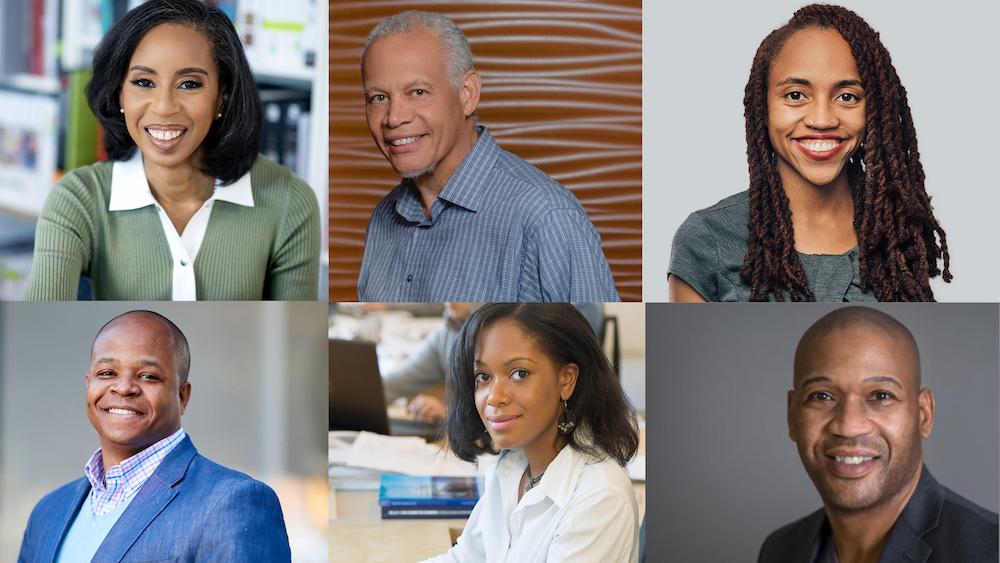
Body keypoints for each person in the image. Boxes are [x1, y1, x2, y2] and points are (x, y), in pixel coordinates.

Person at [25, 0, 320, 300]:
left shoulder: (289, 202)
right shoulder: (77, 200)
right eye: (143, 82)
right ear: (119, 94)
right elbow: (37, 330)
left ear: (222, 97)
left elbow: (292, 338)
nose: (165, 106)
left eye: (189, 84)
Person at [669, 4, 950, 302]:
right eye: (795, 95)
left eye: (847, 97)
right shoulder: (706, 239)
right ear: (763, 107)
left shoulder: (898, 229)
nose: (822, 119)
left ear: (874, 111)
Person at [356, 11, 619, 302]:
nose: (394, 117)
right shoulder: (382, 218)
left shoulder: (546, 219)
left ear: (468, 94)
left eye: (417, 92)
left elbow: (583, 343)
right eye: (378, 98)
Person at [17, 311, 291, 561]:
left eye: (148, 376)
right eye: (107, 372)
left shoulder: (232, 503)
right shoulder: (48, 512)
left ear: (182, 396)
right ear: (89, 385)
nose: (123, 388)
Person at [760, 307, 998, 561]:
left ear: (923, 415)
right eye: (822, 396)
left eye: (881, 396)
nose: (849, 426)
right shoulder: (779, 550)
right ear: (792, 416)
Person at [426, 303, 640, 562]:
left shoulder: (599, 497)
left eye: (519, 373)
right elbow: (467, 557)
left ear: (566, 380)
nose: (494, 397)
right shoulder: (511, 465)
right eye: (483, 376)